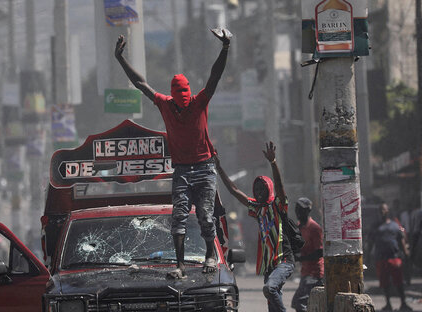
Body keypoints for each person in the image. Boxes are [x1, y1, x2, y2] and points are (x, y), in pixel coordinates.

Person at [114, 28, 231, 279]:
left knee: (206, 216)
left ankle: (210, 254)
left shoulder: (199, 102)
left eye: (185, 99)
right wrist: (120, 59)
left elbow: (214, 76)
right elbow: (140, 83)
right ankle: (179, 265)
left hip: (204, 167)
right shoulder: (165, 104)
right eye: (179, 100)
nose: (183, 103)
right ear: (173, 97)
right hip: (181, 169)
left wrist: (225, 48)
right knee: (178, 216)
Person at [214, 142, 295, 312]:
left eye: (262, 188)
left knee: (269, 289)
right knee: (272, 302)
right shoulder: (257, 209)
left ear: (269, 190)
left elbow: (280, 187)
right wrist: (219, 168)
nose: (258, 192)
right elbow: (234, 191)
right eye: (256, 188)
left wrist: (273, 163)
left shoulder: (278, 205)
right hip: (269, 266)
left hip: (283, 261)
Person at [368, 203, 412, 311]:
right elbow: (370, 242)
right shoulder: (375, 227)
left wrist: (406, 253)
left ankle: (403, 303)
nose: (382, 212)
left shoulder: (394, 225)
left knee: (399, 282)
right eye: (381, 210)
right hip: (381, 258)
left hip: (394, 257)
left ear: (388, 211)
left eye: (384, 210)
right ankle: (388, 304)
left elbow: (401, 240)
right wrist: (368, 255)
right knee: (385, 283)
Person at [290, 197, 324, 312]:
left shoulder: (314, 228)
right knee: (302, 302)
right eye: (297, 209)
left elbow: (320, 252)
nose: (298, 212)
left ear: (308, 211)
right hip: (306, 272)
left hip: (315, 273)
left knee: (299, 302)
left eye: (301, 209)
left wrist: (302, 258)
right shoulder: (299, 227)